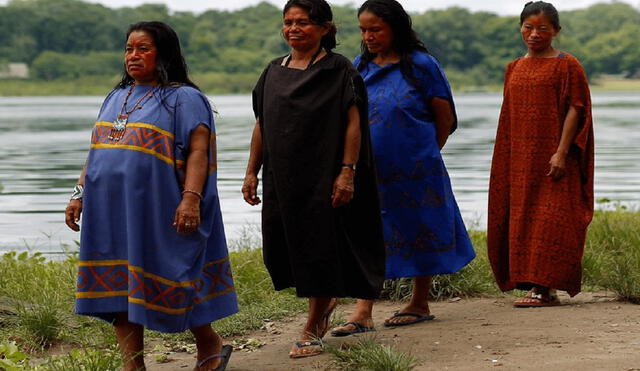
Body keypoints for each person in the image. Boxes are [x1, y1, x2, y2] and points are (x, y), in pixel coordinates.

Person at [64, 21, 237, 371]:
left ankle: (210, 345)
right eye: (129, 48)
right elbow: (96, 150)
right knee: (119, 288)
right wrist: (79, 194)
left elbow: (199, 152)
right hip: (110, 212)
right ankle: (134, 366)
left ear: (164, 53)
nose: (133, 55)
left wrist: (190, 199)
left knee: (175, 277)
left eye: (143, 48)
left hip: (157, 209)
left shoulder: (184, 99)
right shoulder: (115, 97)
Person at [242, 0, 386, 358]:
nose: (293, 28)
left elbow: (353, 124)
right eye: (288, 22)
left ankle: (313, 324)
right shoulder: (273, 71)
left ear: (325, 28)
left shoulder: (340, 70)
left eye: (303, 22)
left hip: (325, 174)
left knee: (321, 246)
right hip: (285, 178)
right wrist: (251, 172)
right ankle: (324, 303)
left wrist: (347, 172)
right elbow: (262, 124)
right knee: (292, 247)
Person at [331, 0, 475, 336]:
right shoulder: (360, 67)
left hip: (418, 168)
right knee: (371, 233)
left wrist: (424, 152)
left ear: (395, 28)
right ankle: (363, 310)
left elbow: (445, 117)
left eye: (376, 29)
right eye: (363, 30)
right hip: (370, 169)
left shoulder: (421, 65)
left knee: (419, 227)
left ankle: (419, 302)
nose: (368, 36)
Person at [487, 1, 594, 307]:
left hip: (556, 157)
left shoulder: (566, 65)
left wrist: (561, 152)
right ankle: (533, 285)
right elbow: (509, 116)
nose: (534, 34)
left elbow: (577, 109)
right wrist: (506, 160)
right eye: (528, 27)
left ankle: (545, 288)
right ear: (520, 28)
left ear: (556, 31)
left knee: (553, 218)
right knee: (524, 218)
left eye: (542, 28)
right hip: (521, 160)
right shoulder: (514, 68)